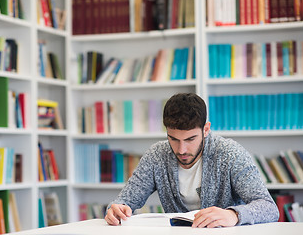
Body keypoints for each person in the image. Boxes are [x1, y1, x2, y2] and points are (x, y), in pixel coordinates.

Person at [105, 93, 279, 228]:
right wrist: (116, 209)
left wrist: (233, 215)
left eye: (190, 139)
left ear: (206, 129)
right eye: (173, 139)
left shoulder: (230, 154)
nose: (181, 150)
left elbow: (269, 208)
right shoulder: (156, 155)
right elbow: (124, 201)